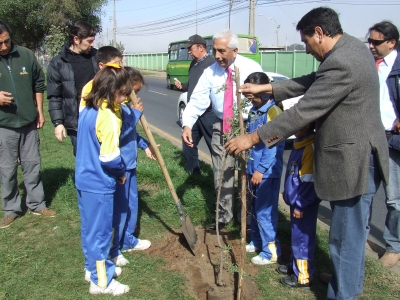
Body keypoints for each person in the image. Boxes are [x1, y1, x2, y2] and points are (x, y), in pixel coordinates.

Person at [225, 7, 389, 300]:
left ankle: (344, 293)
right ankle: (347, 281)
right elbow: (313, 80)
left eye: (305, 42)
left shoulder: (343, 62)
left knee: (345, 237)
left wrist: (253, 138)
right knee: (348, 235)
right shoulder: (348, 49)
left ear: (319, 33)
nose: (306, 48)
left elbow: (305, 110)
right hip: (357, 153)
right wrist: (269, 88)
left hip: (354, 159)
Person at [181, 30, 263, 229]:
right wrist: (187, 123)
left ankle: (249, 220)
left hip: (247, 127)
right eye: (214, 50)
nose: (217, 56)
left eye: (221, 51)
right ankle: (224, 217)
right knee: (221, 173)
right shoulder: (211, 71)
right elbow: (198, 99)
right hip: (222, 126)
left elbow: (263, 99)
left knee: (248, 174)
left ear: (234, 51)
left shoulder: (250, 67)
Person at [76, 64, 132, 296]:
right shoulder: (108, 117)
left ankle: (92, 268)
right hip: (99, 183)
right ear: (111, 90)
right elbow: (109, 157)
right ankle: (102, 282)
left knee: (90, 229)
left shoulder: (89, 107)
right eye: (123, 92)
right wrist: (121, 173)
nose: (127, 97)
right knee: (100, 235)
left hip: (83, 179)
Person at [0, 20, 56, 229]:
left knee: (33, 164)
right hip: (4, 126)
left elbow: (38, 84)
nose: (4, 47)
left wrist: (40, 111)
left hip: (29, 122)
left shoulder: (25, 54)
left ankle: (37, 204)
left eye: (6, 41)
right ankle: (11, 209)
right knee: (7, 169)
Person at [110, 67, 156, 266]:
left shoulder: (127, 107)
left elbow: (131, 134)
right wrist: (136, 114)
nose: (134, 96)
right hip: (120, 165)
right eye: (132, 91)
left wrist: (145, 145)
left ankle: (127, 239)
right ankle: (114, 248)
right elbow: (118, 134)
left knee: (131, 204)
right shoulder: (115, 109)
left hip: (131, 164)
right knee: (119, 208)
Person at [367, 21, 400, 269]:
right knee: (363, 194)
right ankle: (359, 241)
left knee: (394, 199)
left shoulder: (397, 69)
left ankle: (393, 246)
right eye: (370, 41)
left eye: (376, 42)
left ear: (391, 42)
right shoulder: (369, 66)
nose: (371, 46)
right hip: (368, 138)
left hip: (392, 141)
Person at [243, 72, 284, 265]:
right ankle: (257, 241)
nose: (249, 97)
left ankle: (271, 251)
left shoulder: (273, 112)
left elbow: (272, 144)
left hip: (266, 173)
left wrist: (260, 169)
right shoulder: (254, 111)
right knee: (255, 208)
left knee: (264, 212)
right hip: (254, 169)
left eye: (252, 93)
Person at [278, 122, 321, 289]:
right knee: (295, 235)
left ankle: (303, 276)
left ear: (307, 127)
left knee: (302, 239)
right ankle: (294, 265)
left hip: (303, 204)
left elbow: (309, 182)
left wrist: (301, 204)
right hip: (296, 201)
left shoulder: (308, 148)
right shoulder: (299, 145)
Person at [47, 21, 98, 156]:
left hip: (99, 116)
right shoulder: (58, 63)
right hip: (76, 121)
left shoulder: (96, 57)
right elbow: (54, 96)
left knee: (105, 156)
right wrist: (58, 123)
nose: (92, 45)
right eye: (89, 41)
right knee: (83, 158)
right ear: (76, 39)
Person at [174, 34, 216, 175]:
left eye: (190, 49)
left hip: (208, 114)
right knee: (188, 142)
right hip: (193, 112)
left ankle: (219, 176)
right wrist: (183, 86)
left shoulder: (212, 64)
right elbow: (194, 86)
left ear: (200, 47)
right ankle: (193, 172)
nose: (189, 52)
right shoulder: (194, 64)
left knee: (214, 147)